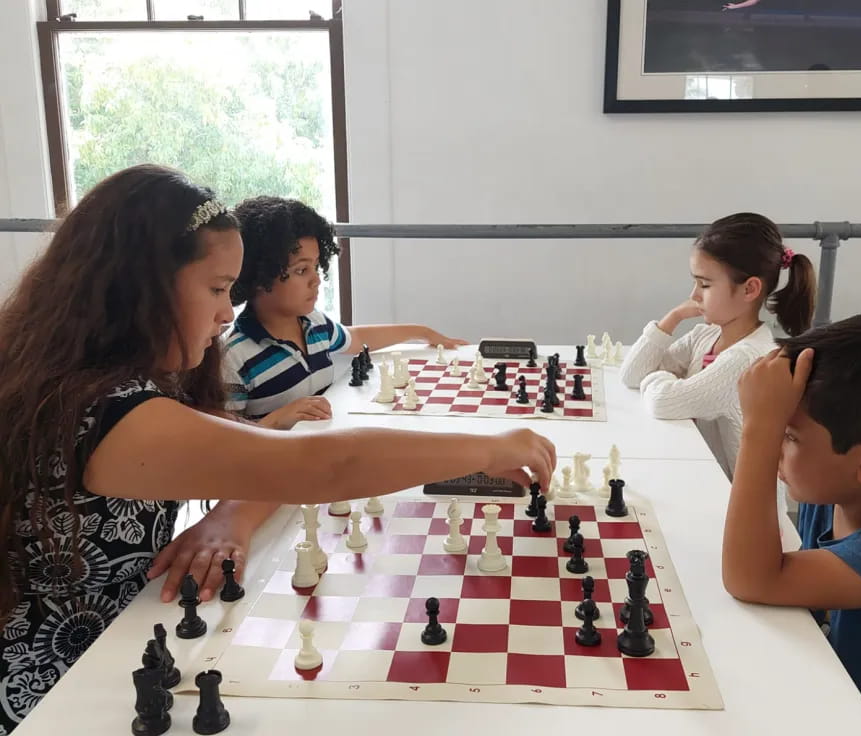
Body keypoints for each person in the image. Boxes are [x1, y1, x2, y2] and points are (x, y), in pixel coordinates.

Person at [0, 165, 555, 731]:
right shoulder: (106, 413)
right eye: (217, 289)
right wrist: (487, 449)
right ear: (140, 288)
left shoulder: (89, 380)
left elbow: (249, 454)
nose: (226, 312)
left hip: (127, 637)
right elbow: (320, 466)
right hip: (59, 688)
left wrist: (236, 515)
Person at [723, 313, 861, 735]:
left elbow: (753, 578)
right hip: (828, 694)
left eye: (790, 436)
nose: (777, 446)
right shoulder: (837, 493)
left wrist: (759, 430)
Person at [225, 196, 466, 428]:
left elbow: (358, 339)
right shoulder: (233, 357)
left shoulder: (315, 324)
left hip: (327, 456)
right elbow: (224, 445)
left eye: (316, 266)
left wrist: (422, 332)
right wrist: (275, 421)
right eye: (301, 270)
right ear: (260, 276)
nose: (316, 280)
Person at [619, 212, 816, 480]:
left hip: (739, 509)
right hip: (707, 483)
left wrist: (666, 379)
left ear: (749, 289)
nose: (694, 295)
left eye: (705, 284)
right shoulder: (706, 336)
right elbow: (631, 374)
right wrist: (672, 319)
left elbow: (664, 401)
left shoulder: (748, 360)